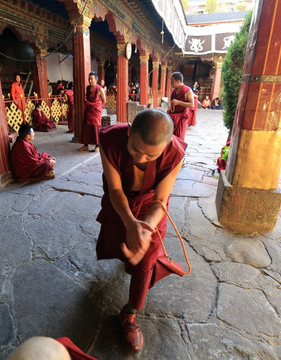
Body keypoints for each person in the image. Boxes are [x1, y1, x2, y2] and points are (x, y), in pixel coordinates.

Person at [96, 109, 187, 351]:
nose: (141, 159)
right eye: (135, 149)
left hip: (150, 206)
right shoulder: (109, 140)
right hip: (121, 200)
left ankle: (130, 313)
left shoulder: (175, 153)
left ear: (166, 145)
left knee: (145, 260)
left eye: (151, 155)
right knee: (122, 243)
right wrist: (128, 222)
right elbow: (115, 191)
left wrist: (146, 229)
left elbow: (160, 199)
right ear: (128, 132)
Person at [78, 72, 105, 152]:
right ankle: (85, 145)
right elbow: (87, 98)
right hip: (88, 110)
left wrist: (98, 107)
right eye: (89, 79)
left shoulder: (100, 89)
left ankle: (98, 145)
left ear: (96, 79)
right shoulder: (87, 88)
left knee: (96, 127)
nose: (90, 81)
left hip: (96, 111)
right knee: (86, 127)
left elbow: (104, 100)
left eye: (91, 79)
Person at [167, 72, 194, 141]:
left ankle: (178, 151)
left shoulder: (187, 90)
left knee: (179, 137)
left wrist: (178, 102)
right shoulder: (174, 91)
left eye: (172, 82)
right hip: (173, 115)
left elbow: (192, 104)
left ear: (178, 81)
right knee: (170, 136)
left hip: (181, 116)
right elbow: (172, 102)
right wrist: (170, 108)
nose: (171, 84)